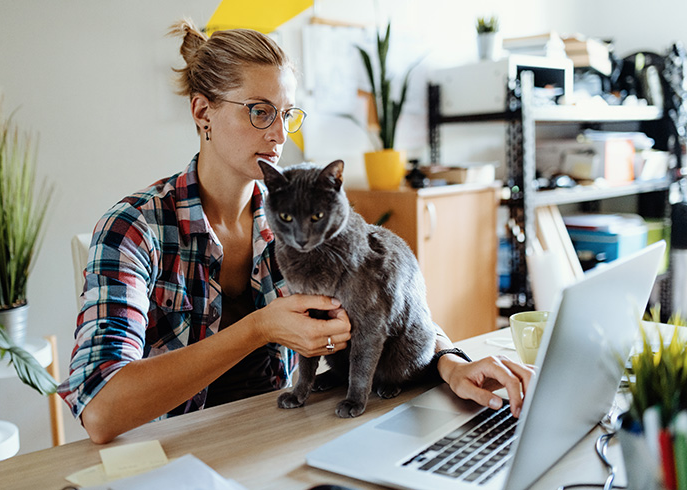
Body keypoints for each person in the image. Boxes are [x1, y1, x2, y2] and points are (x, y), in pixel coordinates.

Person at [58, 19, 534, 445]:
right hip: (175, 454)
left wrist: (450, 363)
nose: (279, 134)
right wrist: (257, 329)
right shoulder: (134, 228)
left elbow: (387, 298)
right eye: (259, 111)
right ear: (202, 113)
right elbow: (101, 410)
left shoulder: (303, 213)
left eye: (286, 114)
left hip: (286, 432)